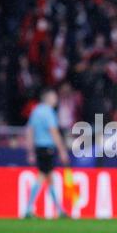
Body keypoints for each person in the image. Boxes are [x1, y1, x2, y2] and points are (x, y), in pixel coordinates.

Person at [25, 87, 70, 218]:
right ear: (48, 98)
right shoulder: (49, 112)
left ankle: (59, 209)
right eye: (54, 97)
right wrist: (62, 150)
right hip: (48, 148)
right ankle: (29, 208)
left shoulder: (36, 111)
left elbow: (29, 131)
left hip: (39, 148)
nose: (56, 99)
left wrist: (30, 152)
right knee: (43, 176)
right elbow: (54, 132)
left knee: (48, 178)